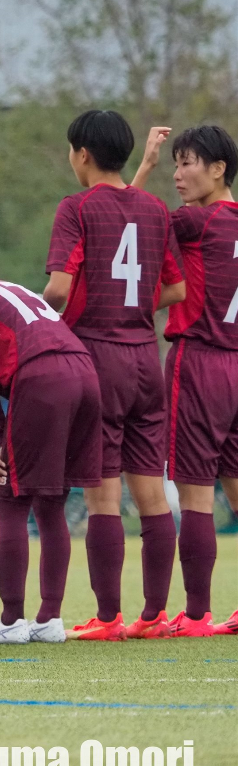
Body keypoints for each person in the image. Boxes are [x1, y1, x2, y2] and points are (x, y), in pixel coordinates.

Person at [42, 110, 186, 641]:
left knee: (102, 497)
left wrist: (40, 320)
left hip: (96, 357)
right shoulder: (154, 209)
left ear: (81, 153)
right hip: (145, 359)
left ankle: (108, 618)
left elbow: (58, 289)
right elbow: (176, 291)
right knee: (151, 493)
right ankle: (153, 615)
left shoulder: (75, 207)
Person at [132, 124, 238, 637]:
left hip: (202, 362)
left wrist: (144, 164)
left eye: (187, 162)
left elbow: (121, 218)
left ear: (219, 169)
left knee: (196, 495)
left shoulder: (199, 222)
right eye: (173, 163)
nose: (177, 174)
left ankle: (196, 615)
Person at [0, 277, 102, 645]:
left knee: (11, 498)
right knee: (52, 502)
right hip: (84, 370)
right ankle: (50, 619)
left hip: (42, 374)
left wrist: (1, 440)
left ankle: (11, 621)